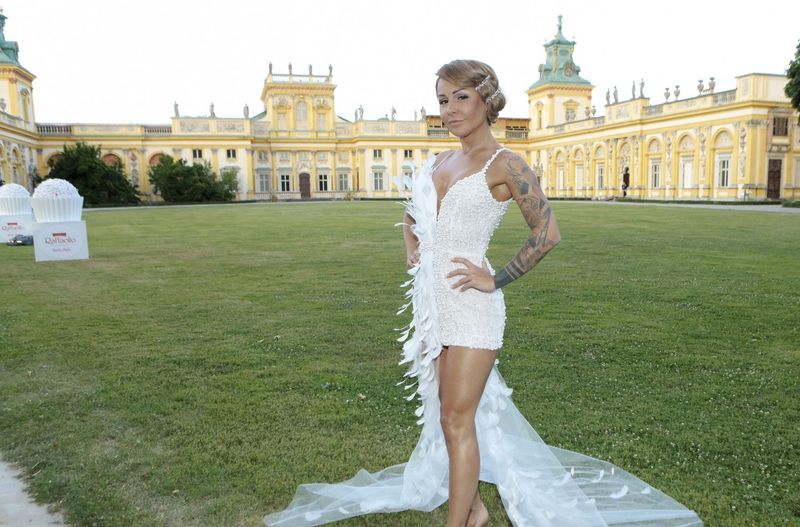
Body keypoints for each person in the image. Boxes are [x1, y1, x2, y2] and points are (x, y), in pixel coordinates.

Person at [263, 60, 703, 527]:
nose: (449, 109)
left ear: (486, 100)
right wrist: (412, 246)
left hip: (473, 307)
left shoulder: (506, 164)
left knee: (457, 419)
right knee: (444, 415)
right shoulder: (439, 161)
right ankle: (474, 509)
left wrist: (495, 279)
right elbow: (412, 214)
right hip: (431, 304)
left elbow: (547, 233)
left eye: (461, 97)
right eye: (442, 100)